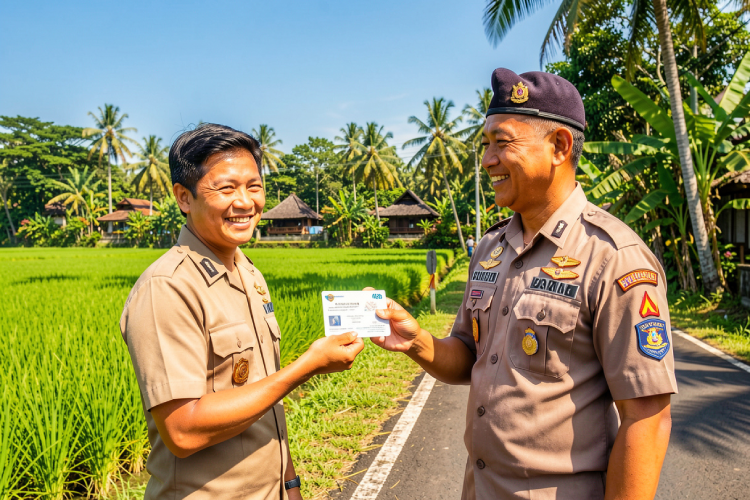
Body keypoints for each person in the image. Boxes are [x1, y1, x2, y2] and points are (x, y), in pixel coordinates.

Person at [372, 69, 676, 500]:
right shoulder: (490, 248)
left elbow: (646, 417)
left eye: (503, 143)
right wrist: (416, 340)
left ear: (559, 147)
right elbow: (467, 357)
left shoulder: (613, 257)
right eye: (485, 145)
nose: (487, 160)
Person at [120, 124, 364, 500]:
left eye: (254, 186)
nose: (246, 202)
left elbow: (267, 406)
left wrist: (291, 485)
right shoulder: (167, 287)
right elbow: (183, 431)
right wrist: (307, 367)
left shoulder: (249, 273)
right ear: (184, 197)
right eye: (226, 188)